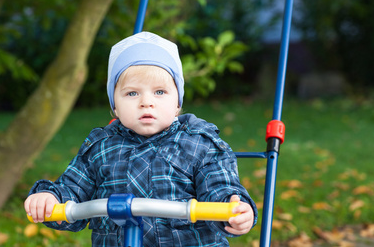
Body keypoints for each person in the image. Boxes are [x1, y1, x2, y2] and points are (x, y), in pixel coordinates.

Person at [24, 31, 258, 246]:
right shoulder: (100, 148)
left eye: (159, 92)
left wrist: (232, 207)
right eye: (132, 93)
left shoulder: (199, 143)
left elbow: (219, 184)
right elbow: (73, 189)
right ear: (115, 106)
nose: (146, 102)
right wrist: (51, 198)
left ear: (177, 103)